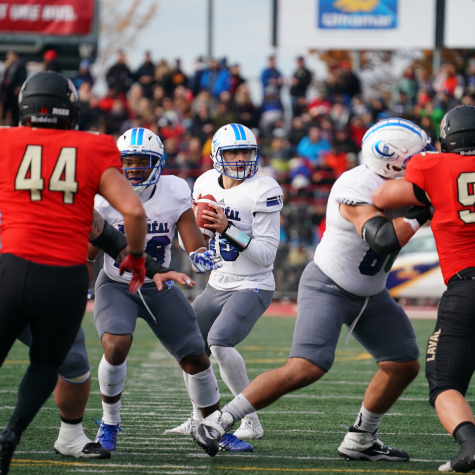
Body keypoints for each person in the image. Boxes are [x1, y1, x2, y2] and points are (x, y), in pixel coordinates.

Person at [192, 119, 434, 458]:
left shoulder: (405, 182)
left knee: (403, 363)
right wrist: (425, 210)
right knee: (306, 367)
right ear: (392, 160)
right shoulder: (354, 185)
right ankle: (218, 421)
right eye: (420, 156)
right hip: (329, 286)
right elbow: (382, 239)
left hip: (371, 293)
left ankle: (361, 438)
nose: (428, 160)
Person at [0, 71, 148, 475]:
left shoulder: (5, 141)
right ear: (73, 110)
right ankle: (11, 432)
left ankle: (69, 435)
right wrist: (135, 257)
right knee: (51, 363)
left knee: (75, 362)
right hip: (63, 278)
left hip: (8, 271)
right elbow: (133, 211)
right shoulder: (93, 147)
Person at [90, 128, 251, 453]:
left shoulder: (175, 189)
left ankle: (213, 427)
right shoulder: (104, 194)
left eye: (142, 162)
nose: (134, 169)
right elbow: (89, 250)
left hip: (159, 285)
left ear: (158, 163)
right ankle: (109, 423)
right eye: (128, 163)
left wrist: (196, 254)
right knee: (116, 344)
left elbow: (187, 228)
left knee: (196, 357)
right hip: (117, 284)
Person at [15, 208, 192, 460]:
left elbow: (102, 232)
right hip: (13, 283)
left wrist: (152, 268)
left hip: (29, 284)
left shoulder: (56, 189)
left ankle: (70, 436)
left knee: (73, 358)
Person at [371, 105, 475, 473]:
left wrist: (427, 200)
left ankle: (469, 446)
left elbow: (383, 197)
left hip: (467, 289)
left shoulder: (433, 166)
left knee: (444, 382)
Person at [165, 123, 283, 441]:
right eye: (234, 152)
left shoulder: (264, 188)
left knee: (219, 341)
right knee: (190, 347)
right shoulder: (205, 182)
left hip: (253, 283)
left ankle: (251, 421)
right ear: (217, 155)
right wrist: (197, 239)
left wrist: (227, 227)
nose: (242, 158)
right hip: (217, 282)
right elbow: (186, 237)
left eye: (247, 151)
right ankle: (197, 417)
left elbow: (266, 255)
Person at [1, 51, 27, 125]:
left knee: (14, 110)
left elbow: (22, 78)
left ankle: (14, 124)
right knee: (5, 108)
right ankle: (3, 123)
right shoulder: (10, 65)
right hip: (7, 91)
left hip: (14, 92)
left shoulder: (20, 65)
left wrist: (18, 87)